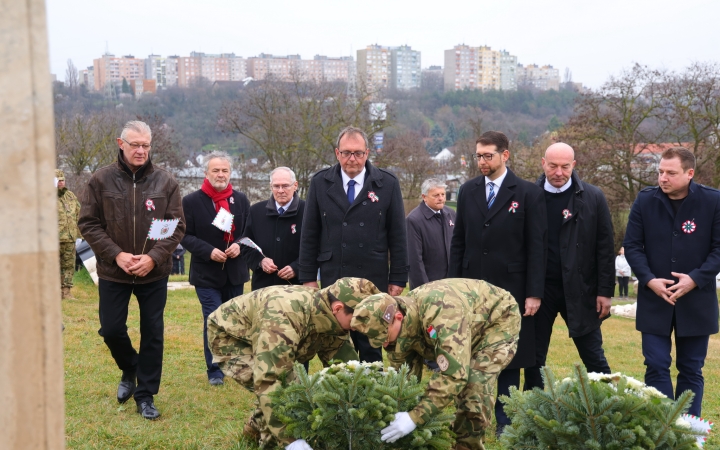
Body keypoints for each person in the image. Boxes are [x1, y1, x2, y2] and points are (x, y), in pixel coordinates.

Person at [78, 120, 185, 420]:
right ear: (120, 143)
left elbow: (176, 227)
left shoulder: (167, 182)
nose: (141, 150)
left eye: (146, 145)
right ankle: (130, 367)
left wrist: (153, 257)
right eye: (135, 144)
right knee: (111, 329)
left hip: (154, 272)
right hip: (114, 271)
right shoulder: (100, 181)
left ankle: (146, 395)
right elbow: (88, 223)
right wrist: (117, 255)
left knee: (153, 332)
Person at [448, 130, 546, 436]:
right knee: (472, 355)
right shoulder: (467, 191)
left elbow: (537, 247)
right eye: (478, 155)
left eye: (488, 155)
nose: (482, 161)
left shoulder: (528, 193)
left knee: (509, 357)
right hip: (473, 288)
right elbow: (459, 241)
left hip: (512, 288)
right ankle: (472, 420)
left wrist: (533, 293)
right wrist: (453, 286)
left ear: (505, 155)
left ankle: (505, 423)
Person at [207, 277, 381, 450]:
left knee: (294, 389)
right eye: (359, 320)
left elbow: (347, 371)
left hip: (272, 333)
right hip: (232, 338)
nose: (360, 328)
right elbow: (268, 380)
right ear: (338, 308)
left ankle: (253, 429)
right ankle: (271, 443)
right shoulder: (284, 315)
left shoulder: (333, 317)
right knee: (290, 394)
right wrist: (291, 441)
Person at [351, 278, 521, 450]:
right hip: (462, 322)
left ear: (398, 317)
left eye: (384, 336)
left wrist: (414, 418)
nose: (384, 344)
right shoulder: (399, 323)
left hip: (496, 320)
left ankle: (467, 446)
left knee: (473, 387)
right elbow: (403, 380)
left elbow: (454, 375)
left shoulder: (442, 314)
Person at [623, 146, 720, 417]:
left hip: (697, 300)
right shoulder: (645, 200)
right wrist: (649, 280)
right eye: (660, 172)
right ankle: (661, 427)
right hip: (655, 299)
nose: (663, 178)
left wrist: (696, 279)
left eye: (670, 173)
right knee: (655, 365)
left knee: (691, 368)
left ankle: (688, 431)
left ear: (690, 173)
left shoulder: (713, 201)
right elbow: (632, 246)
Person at [299, 126, 408, 363]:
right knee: (335, 344)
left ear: (367, 153)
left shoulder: (387, 184)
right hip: (333, 275)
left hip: (373, 277)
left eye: (358, 153)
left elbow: (398, 234)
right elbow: (309, 234)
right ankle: (339, 397)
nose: (352, 159)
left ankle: (372, 396)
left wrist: (398, 278)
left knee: (370, 343)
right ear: (337, 154)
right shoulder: (320, 182)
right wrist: (308, 277)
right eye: (347, 153)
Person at [524, 142, 613, 391]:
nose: (559, 173)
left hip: (581, 288)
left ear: (574, 165)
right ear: (543, 163)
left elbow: (605, 247)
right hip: (540, 290)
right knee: (534, 358)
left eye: (565, 167)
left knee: (594, 355)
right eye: (553, 166)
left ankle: (610, 405)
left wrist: (605, 291)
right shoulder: (528, 196)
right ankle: (532, 412)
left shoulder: (593, 197)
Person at [180, 151, 250, 386]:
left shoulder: (240, 200)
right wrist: (208, 251)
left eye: (224, 170)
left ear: (230, 173)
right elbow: (185, 236)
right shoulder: (190, 201)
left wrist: (240, 245)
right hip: (206, 272)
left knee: (233, 320)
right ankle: (215, 370)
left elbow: (248, 233)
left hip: (235, 272)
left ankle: (233, 363)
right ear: (206, 173)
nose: (220, 174)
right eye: (216, 170)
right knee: (213, 318)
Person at [242, 167, 305, 290]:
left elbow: (318, 247)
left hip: (297, 286)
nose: (280, 190)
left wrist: (297, 267)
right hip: (263, 286)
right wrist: (260, 261)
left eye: (285, 186)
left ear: (295, 185)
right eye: (276, 186)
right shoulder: (256, 211)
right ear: (271, 187)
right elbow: (245, 244)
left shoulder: (308, 211)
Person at [406, 178, 456, 290]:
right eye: (436, 195)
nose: (441, 198)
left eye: (443, 194)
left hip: (452, 285)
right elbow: (414, 261)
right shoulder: (414, 220)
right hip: (428, 287)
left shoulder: (451, 214)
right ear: (424, 197)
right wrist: (425, 289)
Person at [56, 169, 81, 299]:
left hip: (70, 238)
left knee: (69, 266)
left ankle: (66, 292)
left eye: (63, 180)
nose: (61, 182)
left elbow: (79, 214)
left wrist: (79, 236)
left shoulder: (70, 195)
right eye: (58, 180)